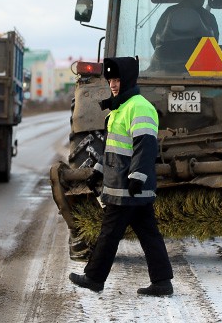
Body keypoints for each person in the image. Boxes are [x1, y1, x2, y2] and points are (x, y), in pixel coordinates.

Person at [69, 56, 174, 296]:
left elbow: (145, 146)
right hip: (124, 184)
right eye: (110, 80)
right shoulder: (120, 108)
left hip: (128, 186)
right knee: (148, 234)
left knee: (109, 233)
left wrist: (137, 177)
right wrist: (98, 171)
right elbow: (113, 149)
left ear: (128, 79)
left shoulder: (139, 107)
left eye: (117, 79)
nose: (113, 84)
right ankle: (162, 282)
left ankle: (94, 278)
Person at [148, 0, 219, 72]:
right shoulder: (208, 17)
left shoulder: (170, 11)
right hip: (201, 70)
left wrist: (170, 59)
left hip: (167, 70)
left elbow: (154, 39)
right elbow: (214, 43)